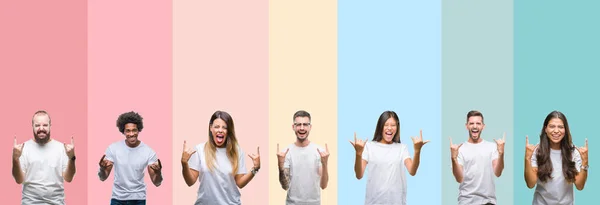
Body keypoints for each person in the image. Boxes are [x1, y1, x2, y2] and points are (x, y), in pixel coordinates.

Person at [349, 110, 429, 205]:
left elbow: (412, 171)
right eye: (386, 125)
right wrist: (358, 154)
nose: (389, 128)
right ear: (380, 127)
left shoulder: (402, 148)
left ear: (397, 127)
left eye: (393, 125)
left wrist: (417, 151)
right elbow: (359, 175)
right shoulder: (369, 146)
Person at [181, 110, 260, 205]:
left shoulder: (237, 152)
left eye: (224, 127)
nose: (220, 130)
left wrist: (255, 169)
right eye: (217, 127)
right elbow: (190, 182)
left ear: (228, 131)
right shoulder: (199, 150)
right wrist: (184, 163)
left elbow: (240, 183)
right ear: (211, 128)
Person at [12, 110, 76, 205]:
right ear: (32, 127)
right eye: (37, 125)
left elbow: (69, 178)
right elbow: (19, 180)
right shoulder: (23, 148)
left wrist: (72, 158)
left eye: (45, 125)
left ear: (50, 126)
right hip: (30, 203)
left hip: (56, 203)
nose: (41, 128)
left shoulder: (61, 148)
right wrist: (15, 159)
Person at [98, 111, 163, 205]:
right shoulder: (113, 149)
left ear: (138, 130)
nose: (131, 134)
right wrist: (102, 169)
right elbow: (102, 178)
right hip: (117, 199)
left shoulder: (149, 152)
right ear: (123, 131)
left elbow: (157, 183)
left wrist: (158, 173)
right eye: (128, 130)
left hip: (138, 199)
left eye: (134, 130)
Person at [524, 111, 588, 205]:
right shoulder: (537, 151)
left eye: (560, 127)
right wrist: (527, 158)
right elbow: (530, 184)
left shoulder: (573, 152)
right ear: (545, 129)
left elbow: (580, 186)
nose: (556, 131)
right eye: (552, 126)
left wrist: (585, 161)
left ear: (565, 130)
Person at [450, 110, 505, 205]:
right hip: (466, 201)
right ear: (466, 126)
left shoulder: (491, 147)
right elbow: (459, 178)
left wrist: (501, 154)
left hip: (488, 201)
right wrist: (453, 158)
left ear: (483, 126)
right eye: (471, 123)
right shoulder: (460, 149)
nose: (475, 126)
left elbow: (498, 172)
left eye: (478, 123)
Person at [277, 110, 330, 205]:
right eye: (298, 125)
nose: (302, 128)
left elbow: (323, 185)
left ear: (310, 127)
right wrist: (280, 165)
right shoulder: (287, 152)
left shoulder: (319, 151)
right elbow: (285, 186)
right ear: (293, 127)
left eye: (305, 124)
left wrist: (325, 163)